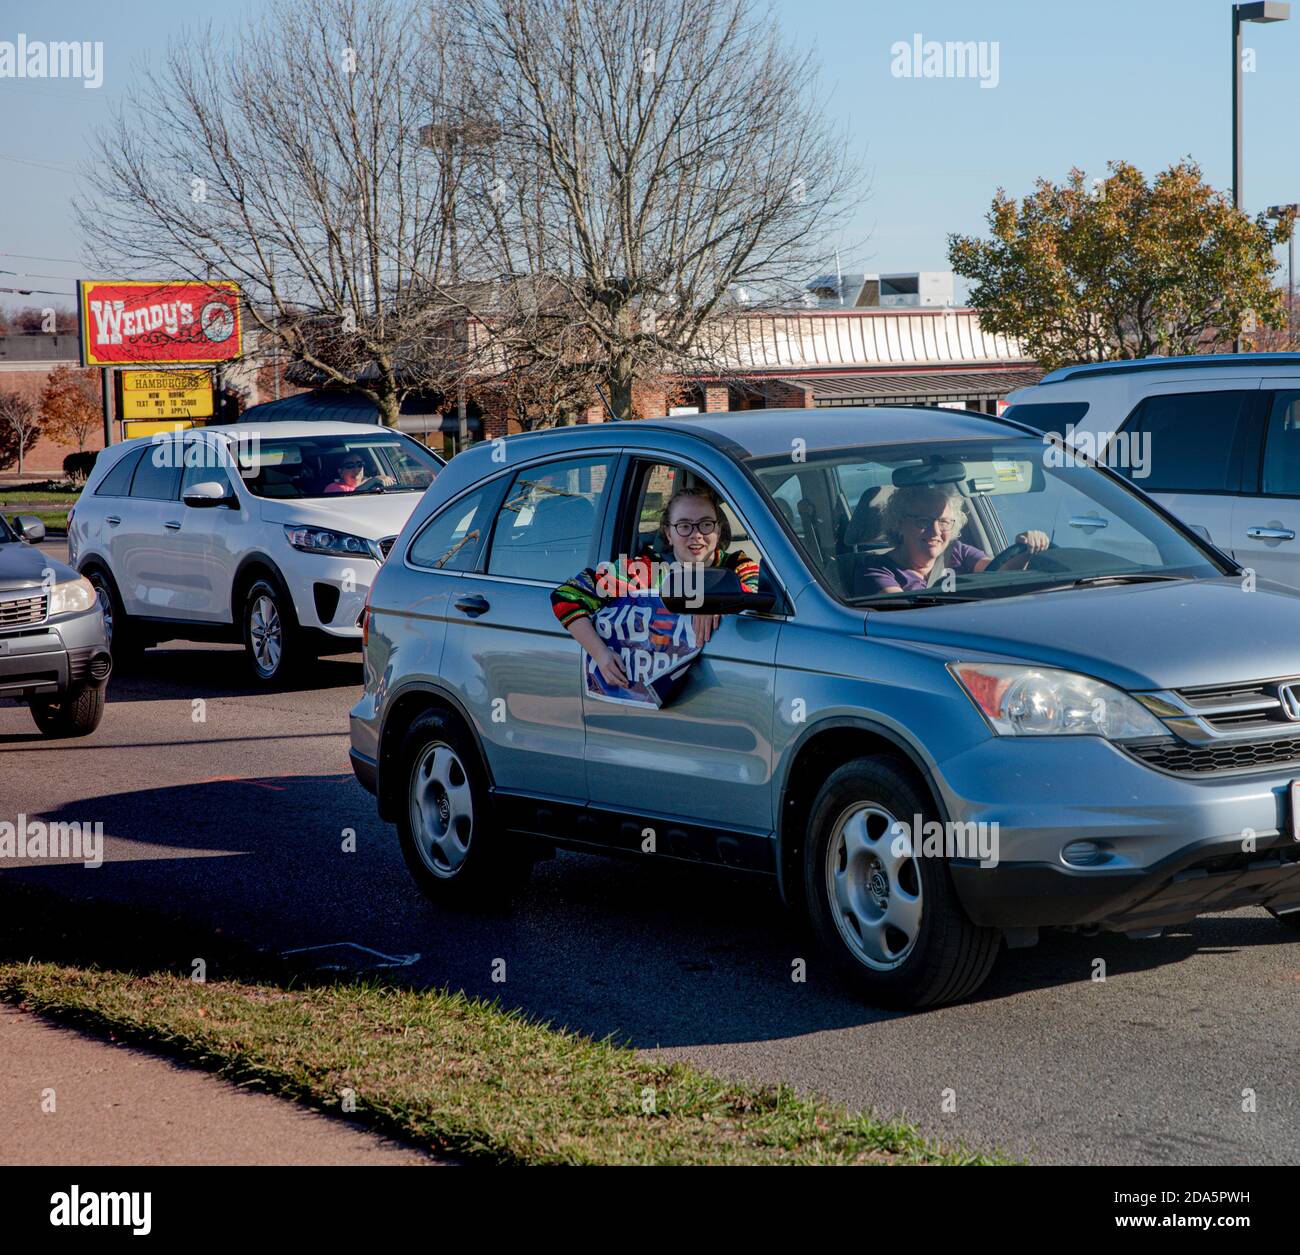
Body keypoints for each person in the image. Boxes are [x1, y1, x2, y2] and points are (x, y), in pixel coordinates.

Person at [551, 484, 760, 690]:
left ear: (718, 529)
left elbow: (753, 593)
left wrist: (713, 603)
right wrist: (601, 655)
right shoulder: (647, 571)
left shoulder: (739, 565)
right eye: (684, 526)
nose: (696, 535)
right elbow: (566, 597)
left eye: (706, 524)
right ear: (669, 533)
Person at [858, 484, 1048, 596]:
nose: (935, 531)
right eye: (923, 521)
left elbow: (1000, 575)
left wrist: (1024, 552)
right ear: (899, 523)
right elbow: (903, 612)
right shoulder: (877, 569)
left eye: (944, 521)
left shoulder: (958, 552)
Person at [323, 452, 394, 495]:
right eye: (350, 466)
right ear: (341, 472)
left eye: (360, 465)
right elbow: (351, 498)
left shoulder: (374, 483)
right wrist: (372, 481)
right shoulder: (333, 488)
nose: (356, 470)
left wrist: (387, 480)